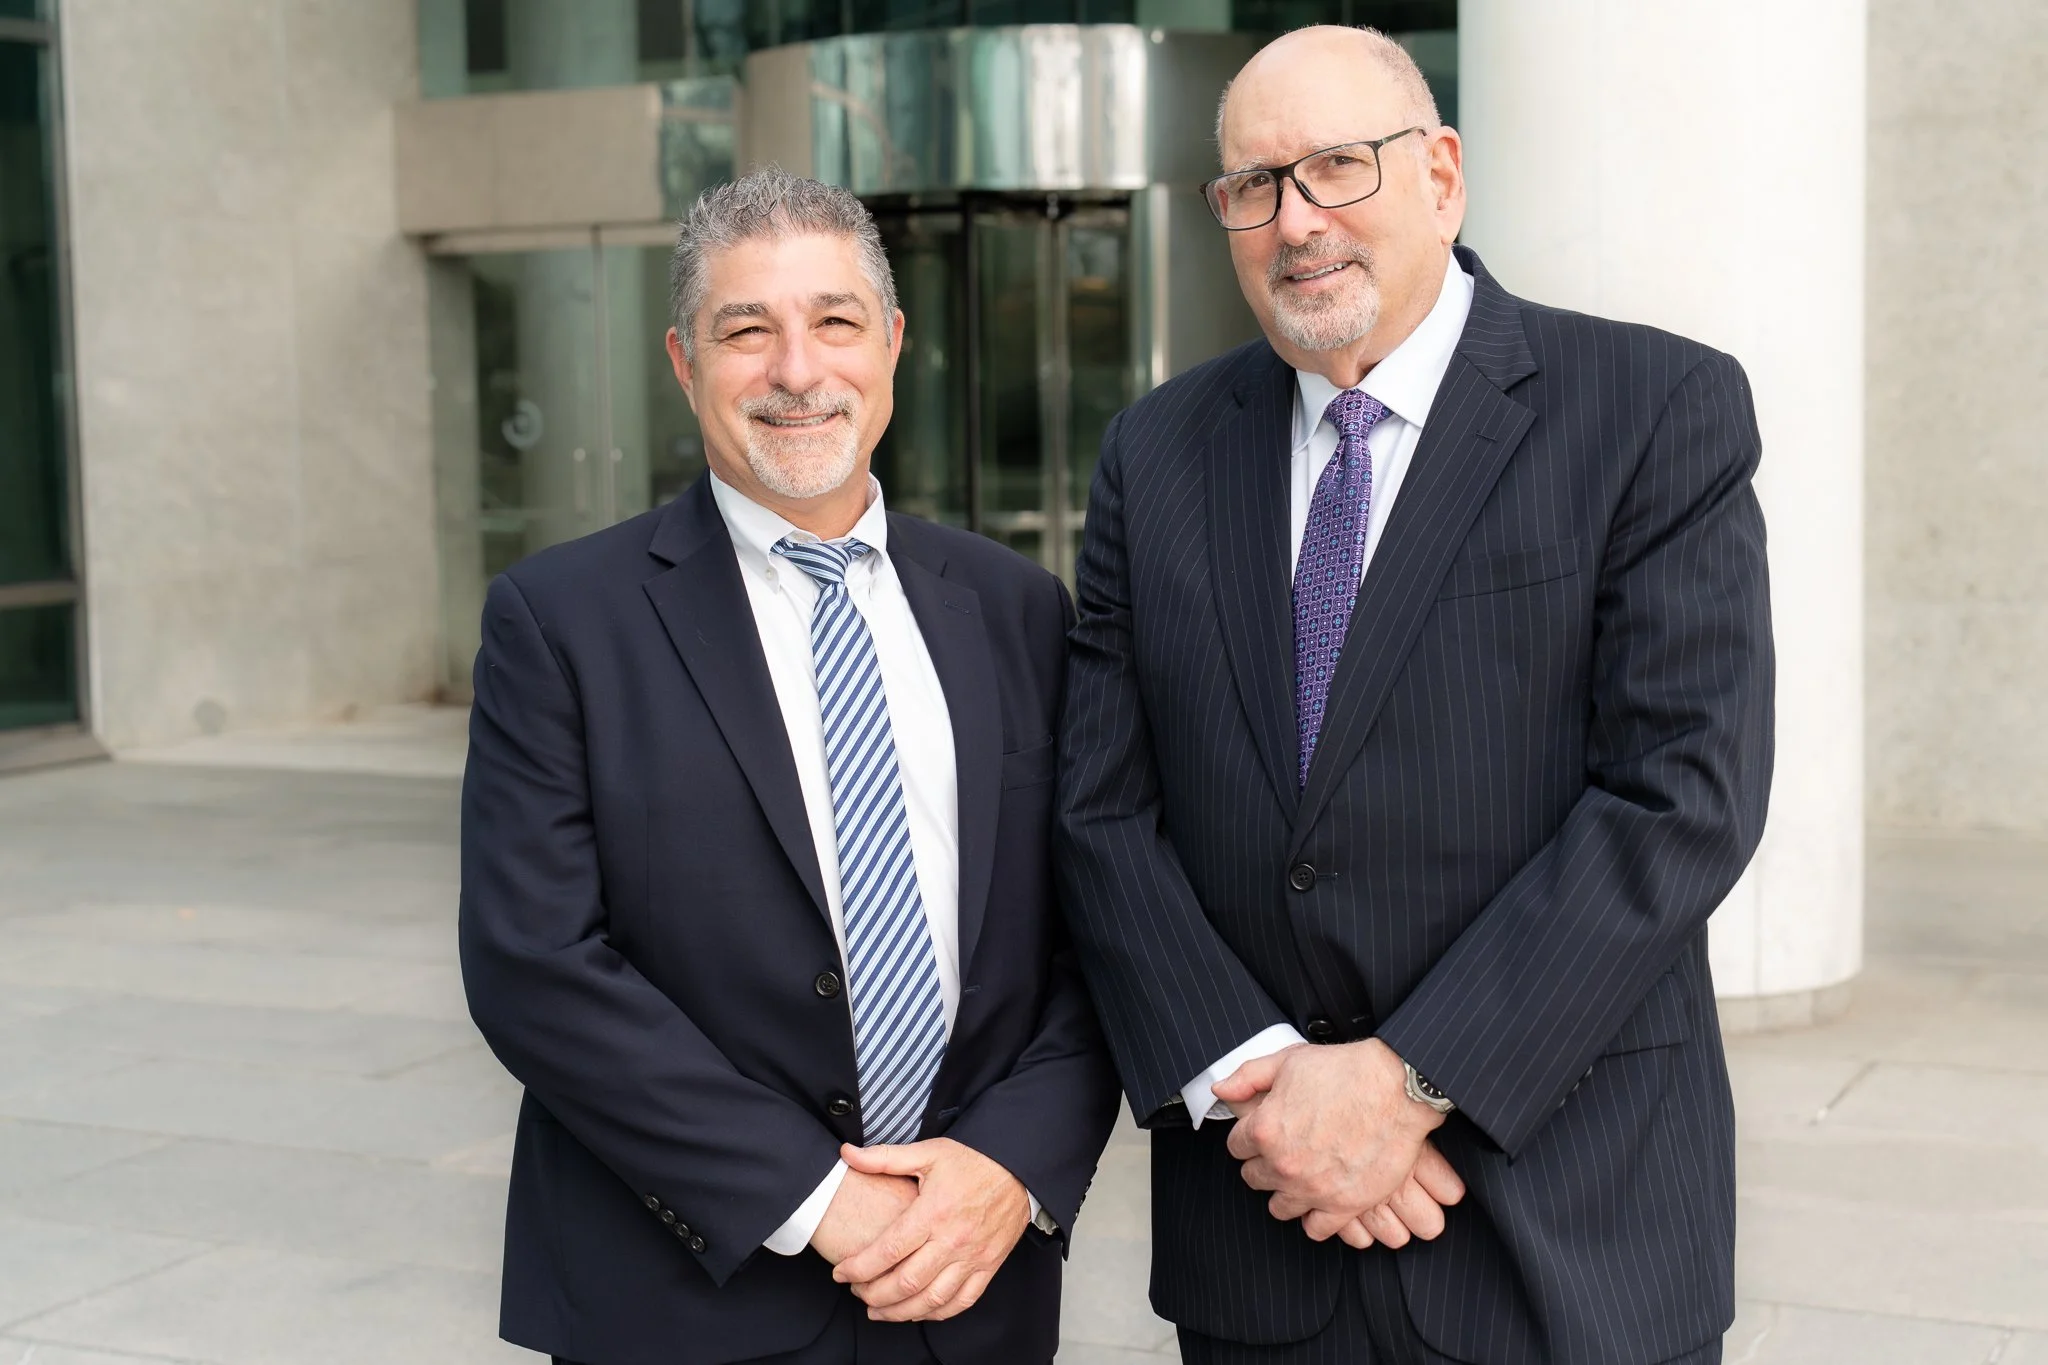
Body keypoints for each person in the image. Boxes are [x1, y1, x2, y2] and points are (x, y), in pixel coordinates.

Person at [1057, 25, 1772, 1365]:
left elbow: (1681, 793)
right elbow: (1100, 812)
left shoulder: (1652, 408)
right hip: (1262, 1227)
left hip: (1566, 1230)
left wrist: (1406, 1082)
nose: (1295, 221)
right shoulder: (1153, 453)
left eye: (1338, 166)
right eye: (1253, 187)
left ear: (1441, 174)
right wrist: (1263, 1089)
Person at [460, 166, 1120, 1365]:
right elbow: (533, 964)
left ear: (893, 344)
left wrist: (1009, 1164)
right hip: (686, 1304)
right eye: (746, 331)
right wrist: (818, 1201)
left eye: (833, 321)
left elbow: (1095, 931)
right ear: (683, 363)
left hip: (972, 1286)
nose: (797, 371)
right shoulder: (560, 620)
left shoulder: (1016, 608)